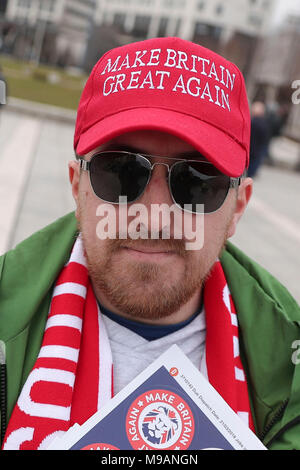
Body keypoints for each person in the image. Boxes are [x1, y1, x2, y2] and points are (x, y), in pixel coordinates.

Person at [0, 37, 300, 451]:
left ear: (237, 208)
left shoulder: (291, 367)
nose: (154, 216)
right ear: (76, 186)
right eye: (121, 172)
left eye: (196, 183)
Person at [247, 101, 270, 178]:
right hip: (258, 147)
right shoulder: (264, 122)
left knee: (251, 165)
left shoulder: (253, 122)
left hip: (253, 147)